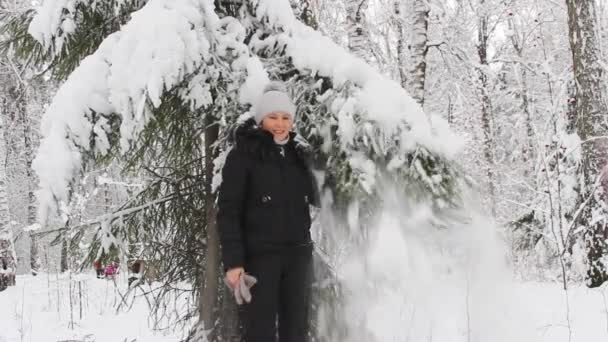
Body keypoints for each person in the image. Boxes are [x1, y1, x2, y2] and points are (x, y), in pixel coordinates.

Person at [217, 81, 320, 342]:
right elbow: (229, 211)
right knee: (259, 332)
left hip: (297, 256)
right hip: (260, 259)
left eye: (286, 117)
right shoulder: (244, 155)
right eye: (273, 117)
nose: (280, 123)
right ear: (261, 119)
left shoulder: (299, 156)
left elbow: (319, 197)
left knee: (296, 331)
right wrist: (234, 263)